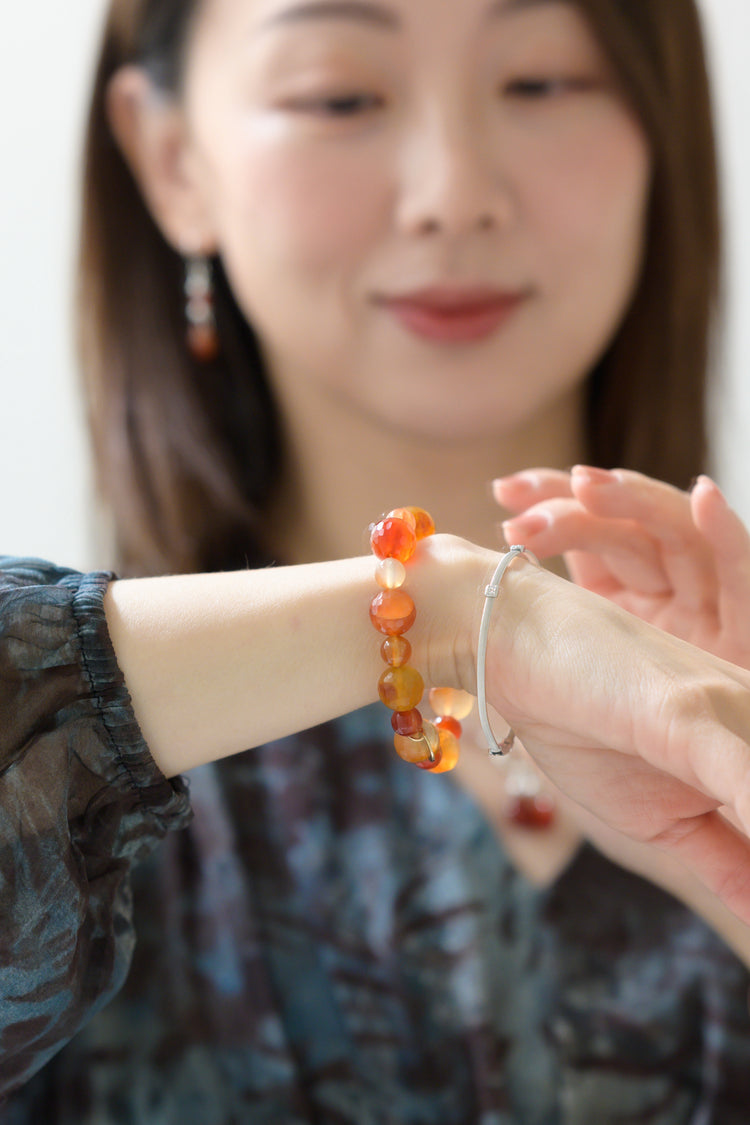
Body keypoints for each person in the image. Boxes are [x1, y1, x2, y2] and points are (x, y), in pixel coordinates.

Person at [3, 0, 750, 1120]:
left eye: (541, 81)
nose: (455, 193)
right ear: (171, 158)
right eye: (340, 96)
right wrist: (450, 613)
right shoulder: (82, 793)